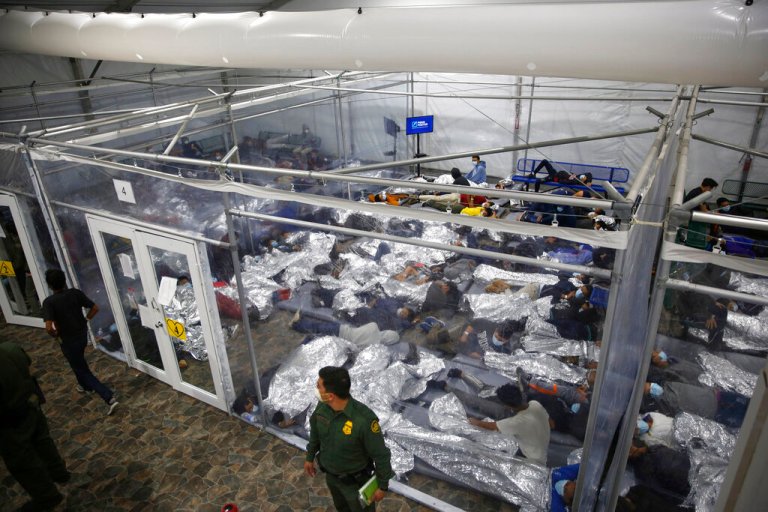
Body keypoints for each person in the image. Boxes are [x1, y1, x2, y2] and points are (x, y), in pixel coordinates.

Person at [305, 366, 394, 511]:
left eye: (318, 386)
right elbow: (315, 432)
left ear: (330, 396)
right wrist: (310, 456)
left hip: (356, 484)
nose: (316, 389)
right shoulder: (322, 406)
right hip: (331, 477)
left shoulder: (364, 421)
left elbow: (381, 455)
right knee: (341, 508)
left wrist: (383, 486)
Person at [0, 341, 70, 511]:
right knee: (43, 441)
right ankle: (59, 473)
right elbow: (27, 363)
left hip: (11, 421)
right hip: (31, 405)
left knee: (22, 460)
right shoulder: (10, 349)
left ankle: (48, 498)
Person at [41, 269, 118, 416]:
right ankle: (84, 386)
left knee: (82, 369)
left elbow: (49, 327)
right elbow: (94, 308)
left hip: (68, 340)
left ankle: (108, 397)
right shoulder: (75, 293)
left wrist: (55, 335)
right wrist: (86, 320)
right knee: (77, 363)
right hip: (82, 335)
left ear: (49, 285)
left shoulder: (49, 302)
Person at [468, 383, 550, 464]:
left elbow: (489, 426)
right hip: (542, 448)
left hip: (533, 460)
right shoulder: (535, 404)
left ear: (507, 406)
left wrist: (473, 421)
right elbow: (548, 420)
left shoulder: (517, 422)